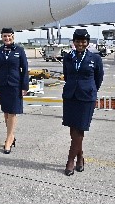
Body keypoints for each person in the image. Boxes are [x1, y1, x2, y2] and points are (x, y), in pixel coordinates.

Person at [62, 29, 103, 176]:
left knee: (80, 129)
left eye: (83, 41)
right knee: (73, 130)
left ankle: (70, 161)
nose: (80, 44)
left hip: (86, 97)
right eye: (78, 41)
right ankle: (80, 157)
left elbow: (98, 78)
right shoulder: (68, 57)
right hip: (70, 96)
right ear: (74, 42)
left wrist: (90, 89)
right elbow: (66, 75)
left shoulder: (95, 58)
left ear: (87, 43)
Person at [0, 28, 29, 154]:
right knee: (6, 112)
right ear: (1, 37)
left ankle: (9, 139)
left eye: (9, 36)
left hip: (15, 85)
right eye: (4, 36)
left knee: (12, 112)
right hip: (2, 85)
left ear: (13, 36)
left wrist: (25, 87)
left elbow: (25, 69)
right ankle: (11, 136)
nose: (7, 38)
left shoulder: (19, 50)